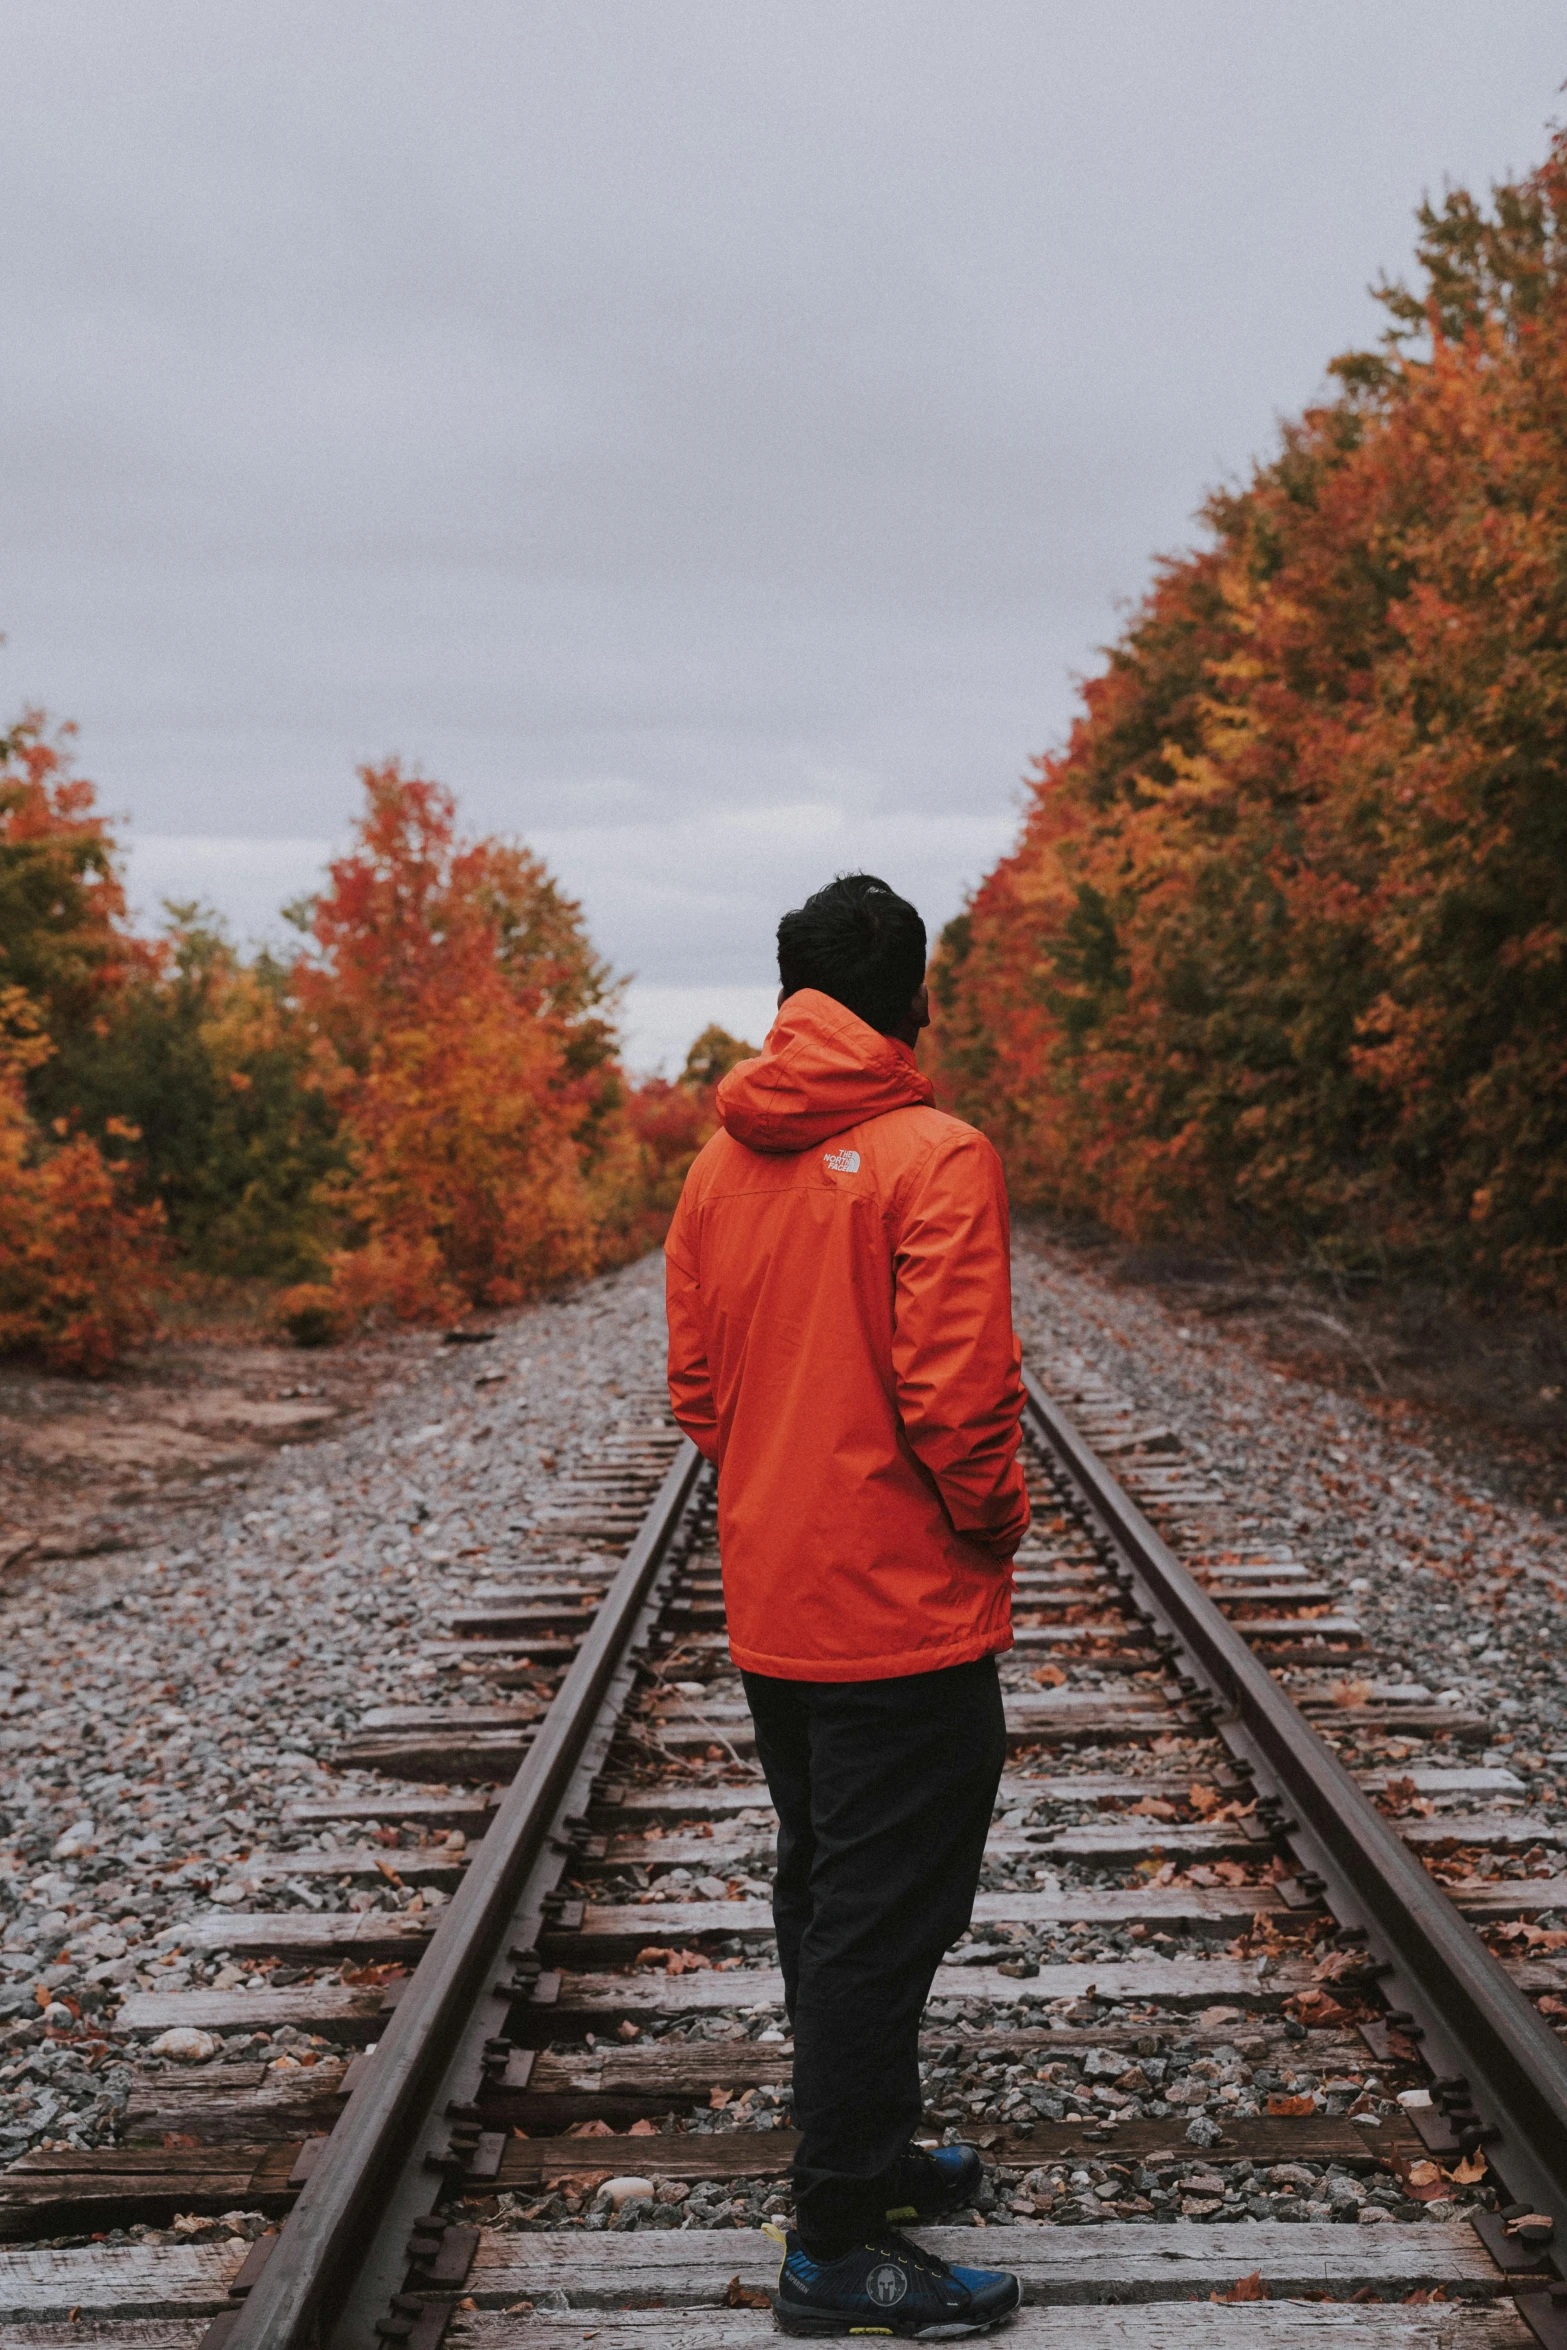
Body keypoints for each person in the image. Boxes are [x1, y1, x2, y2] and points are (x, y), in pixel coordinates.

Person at [664, 872, 1030, 2338]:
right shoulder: (936, 1155)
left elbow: (697, 1393)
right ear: (913, 998)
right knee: (884, 1913)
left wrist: (781, 1490)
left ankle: (870, 2151)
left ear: (788, 993)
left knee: (827, 1888)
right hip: (899, 1614)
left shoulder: (713, 1166)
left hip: (779, 1604)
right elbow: (958, 1401)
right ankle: (831, 2245)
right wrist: (990, 1519)